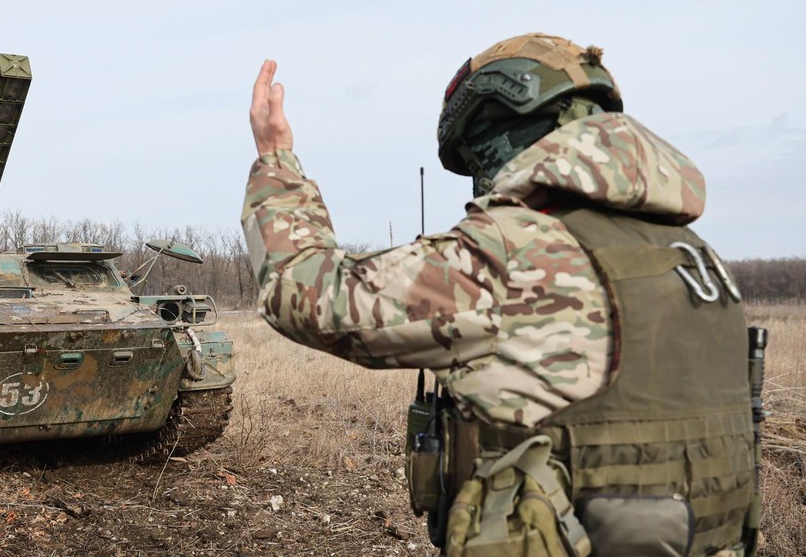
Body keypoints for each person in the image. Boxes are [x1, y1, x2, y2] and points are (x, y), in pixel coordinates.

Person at [242, 33, 757, 556]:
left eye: (477, 150)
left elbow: (303, 290)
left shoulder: (514, 254)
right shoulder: (699, 261)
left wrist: (275, 159)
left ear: (506, 128)